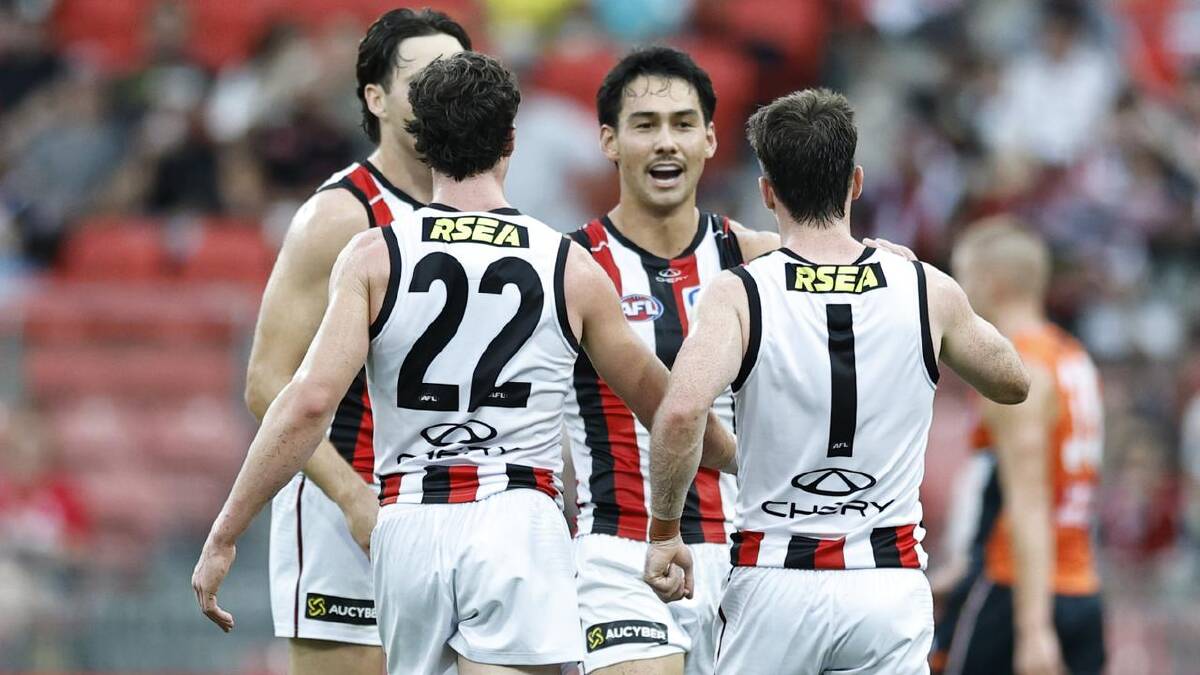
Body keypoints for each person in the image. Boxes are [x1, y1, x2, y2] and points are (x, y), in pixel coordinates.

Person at [193, 51, 734, 675]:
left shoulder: (374, 256)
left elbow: (308, 400)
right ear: (510, 139)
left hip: (409, 520)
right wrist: (733, 457)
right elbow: (669, 409)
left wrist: (225, 531)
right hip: (516, 517)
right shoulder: (566, 265)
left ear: (421, 141)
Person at [642, 88, 1031, 675]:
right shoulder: (923, 288)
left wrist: (665, 531)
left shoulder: (742, 292)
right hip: (886, 584)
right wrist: (927, 286)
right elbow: (1012, 381)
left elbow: (679, 413)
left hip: (775, 581)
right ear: (854, 184)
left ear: (767, 191)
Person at [240, 9, 470, 675]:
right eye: (425, 77)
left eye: (457, 75)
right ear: (376, 96)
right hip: (353, 512)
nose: (444, 91)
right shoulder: (339, 215)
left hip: (458, 509)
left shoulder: (485, 213)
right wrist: (351, 497)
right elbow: (265, 381)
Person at [565, 46, 777, 675]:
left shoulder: (761, 260)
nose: (666, 142)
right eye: (645, 124)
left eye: (683, 124)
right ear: (609, 140)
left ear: (711, 139)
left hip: (750, 556)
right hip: (620, 551)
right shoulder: (568, 267)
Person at [931, 218, 1105, 675]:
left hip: (1019, 592)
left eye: (963, 277)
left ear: (993, 282)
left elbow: (1028, 504)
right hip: (1079, 585)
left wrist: (1033, 628)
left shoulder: (1017, 370)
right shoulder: (1072, 357)